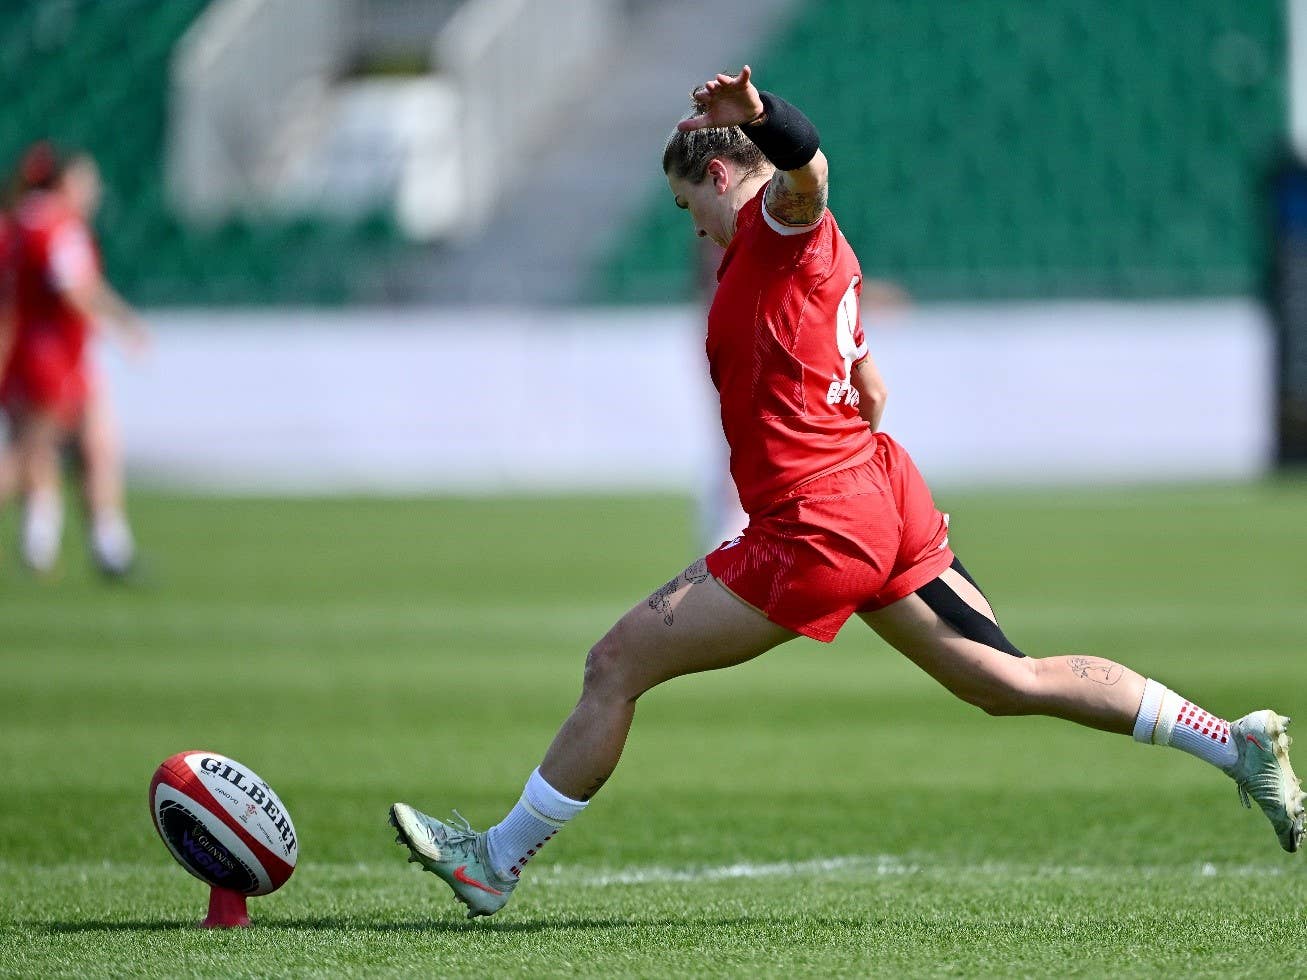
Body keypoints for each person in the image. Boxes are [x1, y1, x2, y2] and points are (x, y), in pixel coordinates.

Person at [389, 67, 1304, 918]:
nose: (693, 230)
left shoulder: (779, 228)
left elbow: (809, 174)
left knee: (613, 667)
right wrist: (860, 365)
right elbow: (854, 362)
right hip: (876, 491)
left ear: (716, 176)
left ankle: (495, 859)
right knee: (1002, 679)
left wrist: (762, 118)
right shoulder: (798, 250)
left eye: (686, 206)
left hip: (816, 521)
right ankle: (1233, 743)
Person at [0, 143, 147, 577]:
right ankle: (96, 545)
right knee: (30, 456)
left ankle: (85, 545)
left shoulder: (19, 222)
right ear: (65, 182)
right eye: (86, 180)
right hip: (53, 356)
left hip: (34, 354)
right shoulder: (58, 225)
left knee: (92, 444)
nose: (93, 189)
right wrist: (123, 324)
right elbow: (75, 288)